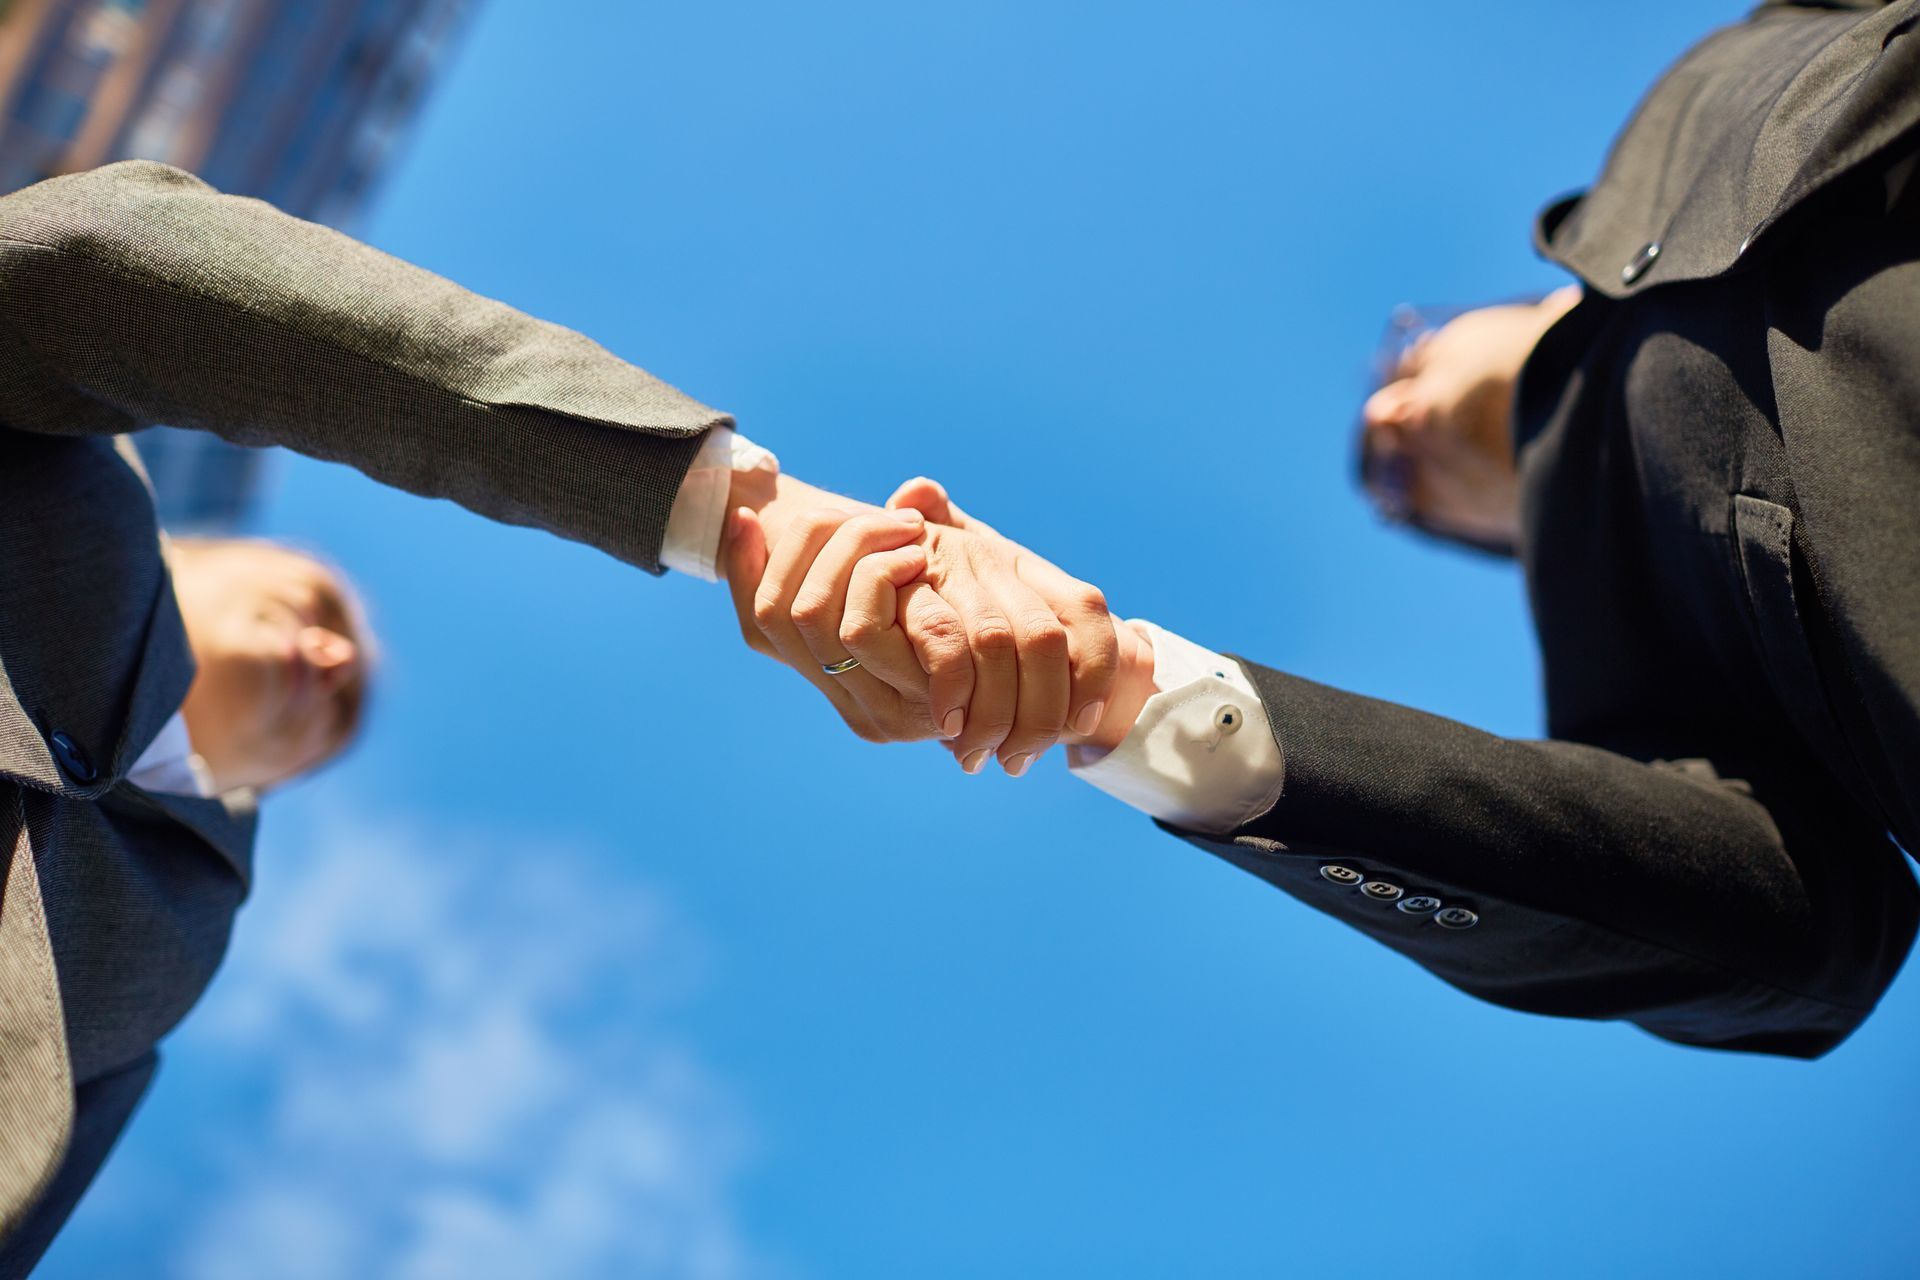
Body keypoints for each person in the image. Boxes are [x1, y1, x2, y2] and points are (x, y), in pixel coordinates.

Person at [730, 0, 1920, 1061]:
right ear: (1488, 538)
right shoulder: (1651, 673)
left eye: (1400, 360)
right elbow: (1796, 936)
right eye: (1393, 479)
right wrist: (1139, 699)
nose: (1392, 409)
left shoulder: (1719, 86)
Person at [0, 158, 1125, 1270]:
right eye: (315, 600)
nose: (334, 656)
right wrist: (747, 518)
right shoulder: (66, 476)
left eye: (342, 707)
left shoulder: (175, 947)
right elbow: (82, 254)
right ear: (211, 549)